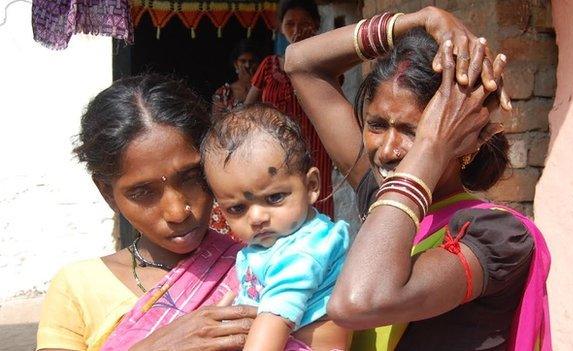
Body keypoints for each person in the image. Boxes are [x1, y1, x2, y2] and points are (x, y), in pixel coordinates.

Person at [285, 7, 551, 351]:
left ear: (461, 135)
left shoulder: (497, 237)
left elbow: (357, 302)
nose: (387, 150)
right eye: (377, 125)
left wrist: (432, 145)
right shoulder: (385, 202)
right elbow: (300, 62)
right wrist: (413, 22)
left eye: (412, 131)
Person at [36, 75, 258, 351]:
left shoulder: (260, 263)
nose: (178, 212)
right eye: (142, 192)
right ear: (107, 193)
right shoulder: (78, 287)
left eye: (191, 176)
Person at [201, 104, 351, 351]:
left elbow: (275, 320)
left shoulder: (302, 251)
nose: (257, 217)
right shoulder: (283, 240)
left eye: (274, 198)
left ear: (312, 185)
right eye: (237, 209)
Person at [244, 0, 335, 218]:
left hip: (316, 148)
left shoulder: (326, 64)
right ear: (280, 27)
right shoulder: (269, 65)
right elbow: (248, 108)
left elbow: (331, 99)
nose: (296, 30)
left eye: (303, 24)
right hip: (276, 149)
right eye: (290, 24)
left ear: (315, 25)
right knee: (279, 206)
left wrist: (306, 56)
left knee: (318, 202)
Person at [211, 40, 261, 118]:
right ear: (235, 64)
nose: (247, 65)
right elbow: (216, 122)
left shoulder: (265, 90)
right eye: (243, 61)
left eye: (252, 61)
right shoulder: (224, 93)